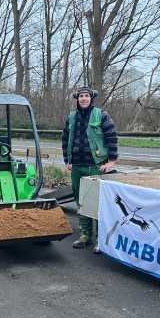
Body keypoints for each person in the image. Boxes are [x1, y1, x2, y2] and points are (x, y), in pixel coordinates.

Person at [62, 86, 118, 250]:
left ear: (91, 98)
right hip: (77, 166)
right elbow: (65, 139)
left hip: (96, 166)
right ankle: (85, 234)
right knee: (82, 201)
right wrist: (68, 160)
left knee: (98, 202)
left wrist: (111, 160)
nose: (84, 99)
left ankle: (101, 238)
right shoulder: (72, 117)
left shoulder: (101, 114)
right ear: (77, 99)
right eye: (81, 96)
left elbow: (112, 136)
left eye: (86, 96)